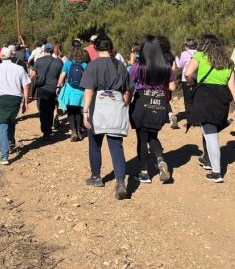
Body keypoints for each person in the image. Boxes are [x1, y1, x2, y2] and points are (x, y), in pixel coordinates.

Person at [185, 34, 235, 183]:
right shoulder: (227, 62)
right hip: (221, 100)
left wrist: (192, 82)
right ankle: (208, 161)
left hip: (204, 97)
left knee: (211, 135)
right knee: (210, 130)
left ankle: (216, 172)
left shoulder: (199, 56)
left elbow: (187, 73)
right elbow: (233, 88)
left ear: (204, 45)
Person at [80, 36, 131, 200]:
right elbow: (128, 89)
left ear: (95, 48)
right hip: (116, 107)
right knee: (116, 147)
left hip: (98, 108)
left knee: (95, 144)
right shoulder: (120, 66)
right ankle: (120, 182)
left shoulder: (92, 66)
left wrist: (85, 111)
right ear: (111, 48)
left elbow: (89, 90)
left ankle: (96, 177)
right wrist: (125, 103)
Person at [127, 36, 176, 183]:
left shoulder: (138, 66)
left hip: (142, 103)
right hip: (159, 104)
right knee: (152, 136)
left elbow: (129, 86)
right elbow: (172, 87)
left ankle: (144, 173)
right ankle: (160, 159)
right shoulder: (166, 68)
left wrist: (127, 101)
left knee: (142, 139)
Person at [0, 46, 31, 165]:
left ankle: (4, 156)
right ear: (12, 55)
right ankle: (10, 143)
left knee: (3, 126)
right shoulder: (19, 68)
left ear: (1, 56)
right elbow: (26, 85)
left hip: (1, 99)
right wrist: (25, 101)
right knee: (11, 119)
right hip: (15, 99)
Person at [30, 43, 63, 140]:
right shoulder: (58, 62)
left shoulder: (38, 61)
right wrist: (59, 87)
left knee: (42, 110)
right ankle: (48, 128)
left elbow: (32, 75)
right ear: (52, 51)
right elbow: (62, 75)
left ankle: (46, 131)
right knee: (50, 109)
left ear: (44, 51)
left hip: (42, 89)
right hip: (53, 89)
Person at [57, 43, 90, 141]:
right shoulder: (84, 64)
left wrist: (58, 86)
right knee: (79, 111)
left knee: (71, 112)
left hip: (70, 90)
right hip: (81, 91)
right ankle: (80, 131)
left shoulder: (68, 63)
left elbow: (62, 76)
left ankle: (74, 131)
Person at [175, 39, 197, 123]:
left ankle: (190, 120)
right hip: (197, 78)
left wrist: (177, 58)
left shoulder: (184, 54)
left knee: (188, 101)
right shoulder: (199, 53)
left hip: (186, 79)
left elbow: (179, 65)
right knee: (196, 99)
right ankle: (197, 119)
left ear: (187, 46)